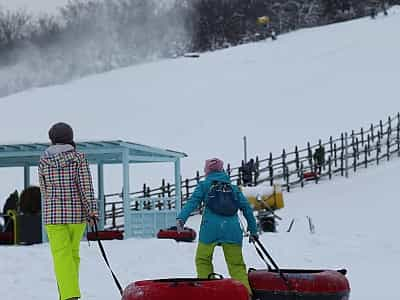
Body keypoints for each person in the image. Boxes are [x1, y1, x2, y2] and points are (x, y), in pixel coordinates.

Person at [176, 158, 258, 295]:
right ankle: (245, 295)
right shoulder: (233, 188)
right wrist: (253, 230)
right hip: (232, 230)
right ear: (222, 170)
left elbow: (192, 202)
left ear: (207, 170)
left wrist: (181, 219)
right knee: (236, 265)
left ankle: (209, 292)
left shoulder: (204, 185)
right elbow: (247, 209)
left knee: (203, 260)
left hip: (210, 230)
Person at [38, 122, 98, 300]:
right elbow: (86, 187)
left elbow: (44, 189)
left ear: (52, 139)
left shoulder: (43, 160)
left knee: (61, 256)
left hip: (53, 215)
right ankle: (69, 294)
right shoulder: (79, 158)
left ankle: (68, 294)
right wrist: (92, 211)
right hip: (75, 214)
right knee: (73, 254)